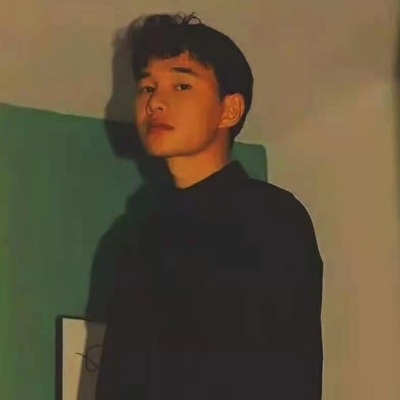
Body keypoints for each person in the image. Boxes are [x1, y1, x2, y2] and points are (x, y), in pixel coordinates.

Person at [95, 12, 324, 400]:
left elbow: (289, 372)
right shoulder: (131, 238)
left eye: (181, 85)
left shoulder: (271, 218)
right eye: (147, 87)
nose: (155, 102)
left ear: (229, 110)